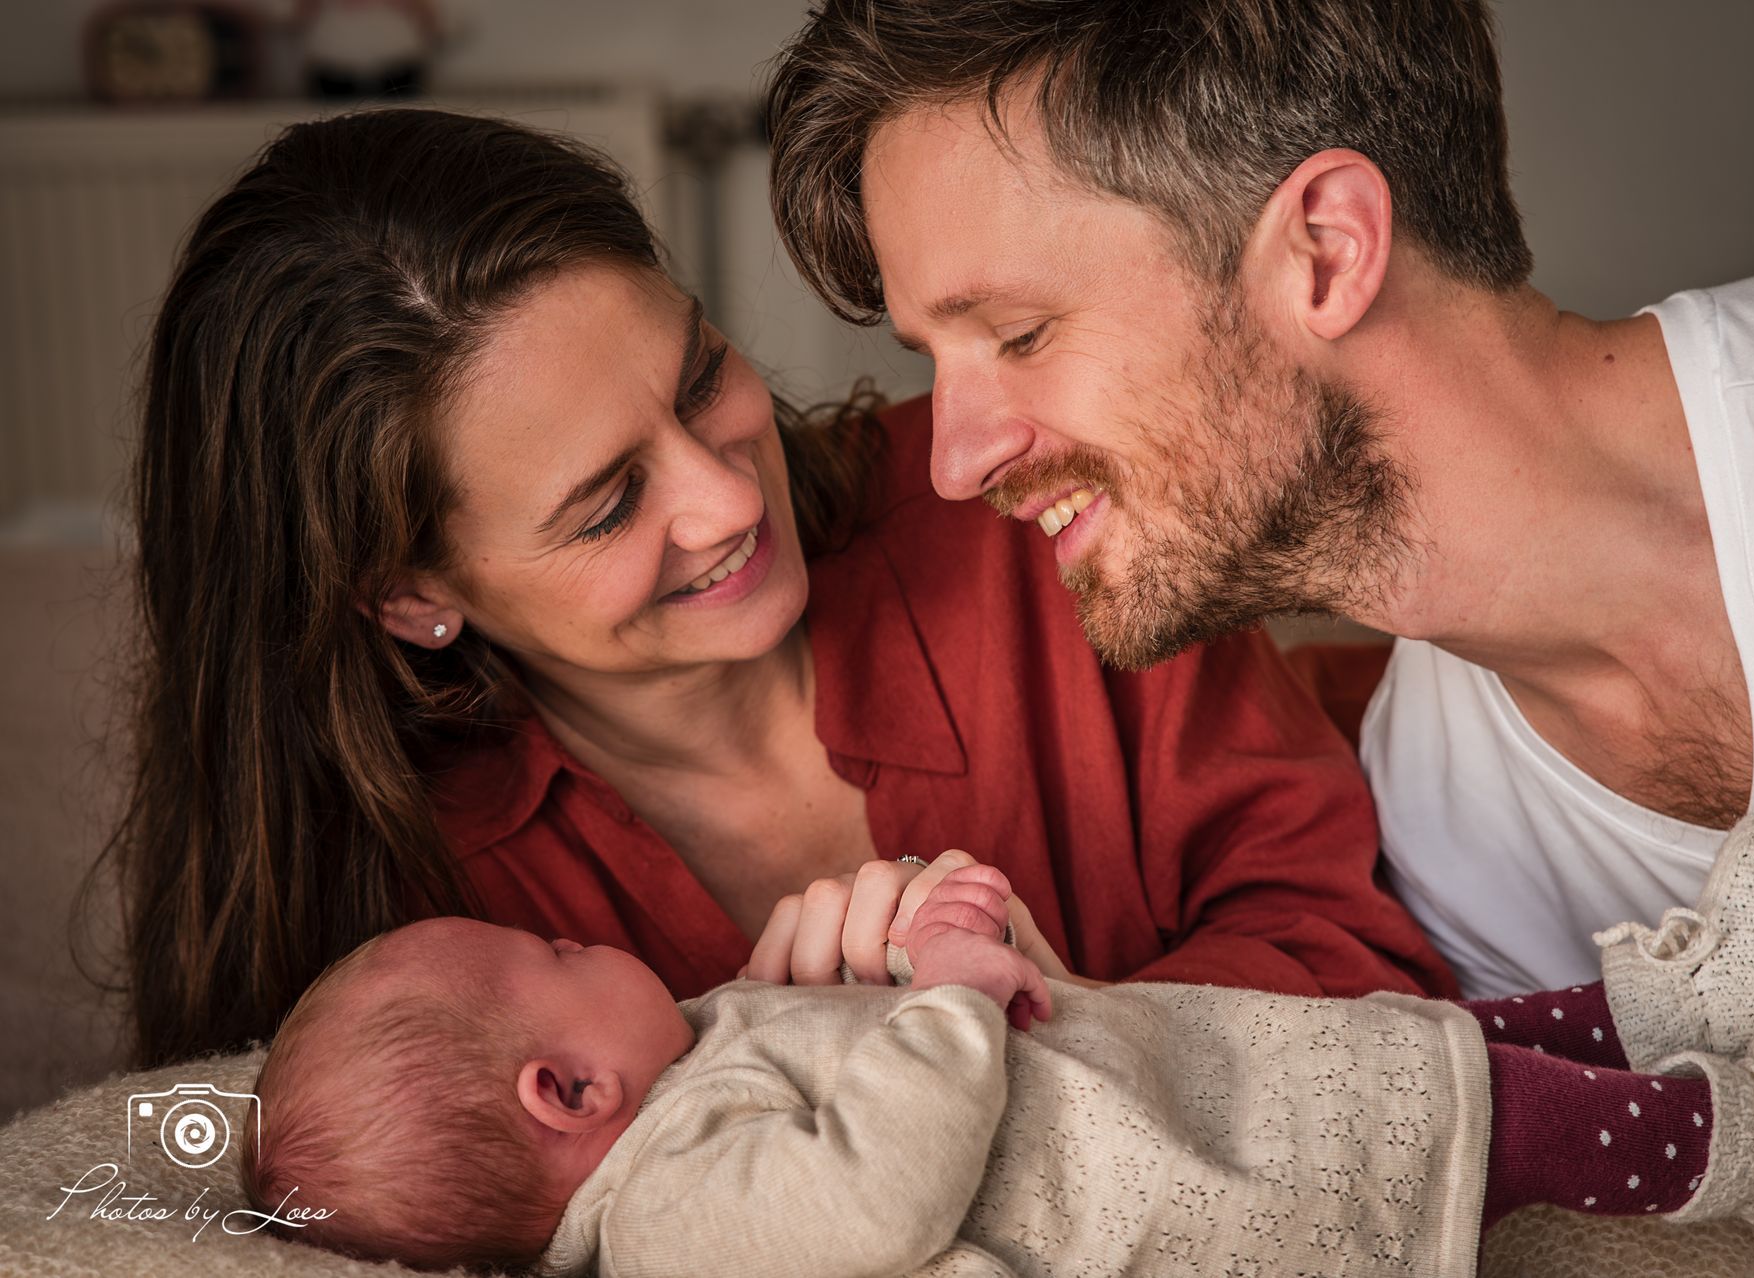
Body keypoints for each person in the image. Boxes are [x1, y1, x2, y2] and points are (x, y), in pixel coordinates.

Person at [101, 105, 1448, 1071]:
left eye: (702, 380)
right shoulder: (412, 911)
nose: (731, 499)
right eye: (609, 502)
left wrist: (1058, 1020)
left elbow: (1369, 975)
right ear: (407, 595)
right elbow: (276, 1173)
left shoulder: (1032, 502)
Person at [763, 0, 1754, 1016]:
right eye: (936, 360)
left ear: (1325, 250)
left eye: (1020, 335)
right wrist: (1056, 1023)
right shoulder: (1442, 829)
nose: (953, 464)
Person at [241, 820, 1754, 1277]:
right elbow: (871, 1190)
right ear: (564, 1091)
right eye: (554, 955)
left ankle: (1667, 1011)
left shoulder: (683, 1089)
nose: (580, 940)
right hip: (1192, 1186)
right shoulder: (676, 1211)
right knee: (1476, 1122)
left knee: (1419, 1052)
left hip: (1167, 1072)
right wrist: (946, 997)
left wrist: (916, 946)